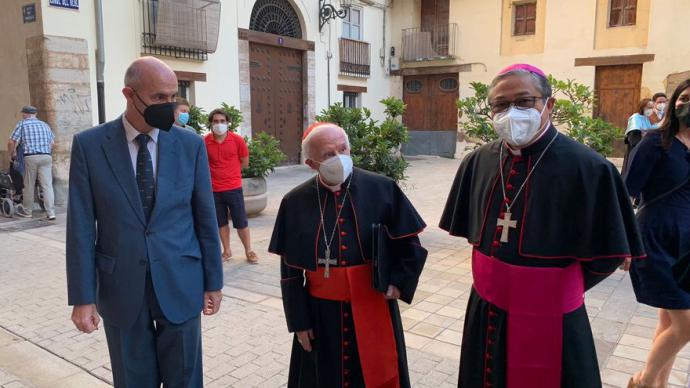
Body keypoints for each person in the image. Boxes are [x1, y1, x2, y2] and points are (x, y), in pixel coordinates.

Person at [439, 63, 645, 388]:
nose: (511, 112)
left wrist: (547, 289)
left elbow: (606, 256)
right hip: (486, 307)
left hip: (553, 317)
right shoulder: (478, 160)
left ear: (549, 105)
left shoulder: (590, 168)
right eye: (501, 105)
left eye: (524, 101)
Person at [66, 56, 223, 387]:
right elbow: (80, 227)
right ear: (129, 94)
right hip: (120, 285)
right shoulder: (90, 146)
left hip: (181, 279)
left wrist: (214, 282)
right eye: (158, 98)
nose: (169, 106)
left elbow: (205, 218)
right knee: (133, 379)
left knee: (185, 377)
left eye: (172, 97)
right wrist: (83, 296)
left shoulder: (189, 144)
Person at [269, 122, 428, 388]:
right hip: (321, 315)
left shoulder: (381, 188)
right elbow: (290, 271)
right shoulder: (294, 202)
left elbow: (411, 244)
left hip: (373, 303)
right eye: (329, 155)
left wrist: (399, 282)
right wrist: (299, 321)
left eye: (343, 149)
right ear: (311, 163)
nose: (339, 158)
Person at [623, 79, 690, 388]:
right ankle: (645, 381)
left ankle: (658, 384)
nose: (686, 105)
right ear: (674, 102)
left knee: (669, 319)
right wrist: (621, 242)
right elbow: (626, 192)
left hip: (686, 244)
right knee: (685, 324)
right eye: (684, 98)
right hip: (655, 237)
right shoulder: (655, 142)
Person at [204, 108, 259, 264]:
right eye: (215, 121)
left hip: (233, 188)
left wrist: (231, 174)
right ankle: (226, 250)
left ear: (228, 123)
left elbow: (245, 162)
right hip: (214, 190)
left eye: (222, 121)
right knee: (221, 222)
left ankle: (249, 250)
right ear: (211, 123)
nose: (219, 124)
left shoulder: (237, 140)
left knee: (241, 221)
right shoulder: (205, 142)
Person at [6, 105, 56, 219]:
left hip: (31, 157)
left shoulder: (22, 124)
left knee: (29, 185)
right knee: (47, 185)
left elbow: (11, 142)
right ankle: (51, 212)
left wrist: (12, 154)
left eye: (23, 113)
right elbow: (52, 143)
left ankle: (27, 211)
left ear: (25, 114)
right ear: (35, 114)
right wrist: (45, 151)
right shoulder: (45, 125)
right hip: (46, 157)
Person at [623, 98, 656, 174]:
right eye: (648, 107)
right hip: (636, 150)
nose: (650, 110)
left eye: (652, 107)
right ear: (642, 107)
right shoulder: (635, 118)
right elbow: (633, 138)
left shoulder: (648, 119)